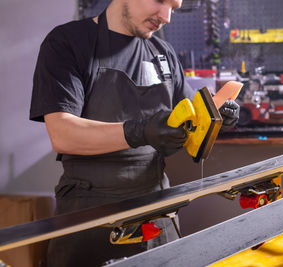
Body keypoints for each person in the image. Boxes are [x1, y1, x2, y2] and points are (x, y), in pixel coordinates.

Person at [29, 0, 240, 266]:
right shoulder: (68, 42)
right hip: (90, 212)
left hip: (156, 210)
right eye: (161, 1)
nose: (167, 17)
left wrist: (215, 117)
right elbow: (63, 133)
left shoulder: (162, 52)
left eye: (174, 8)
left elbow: (189, 124)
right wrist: (139, 131)